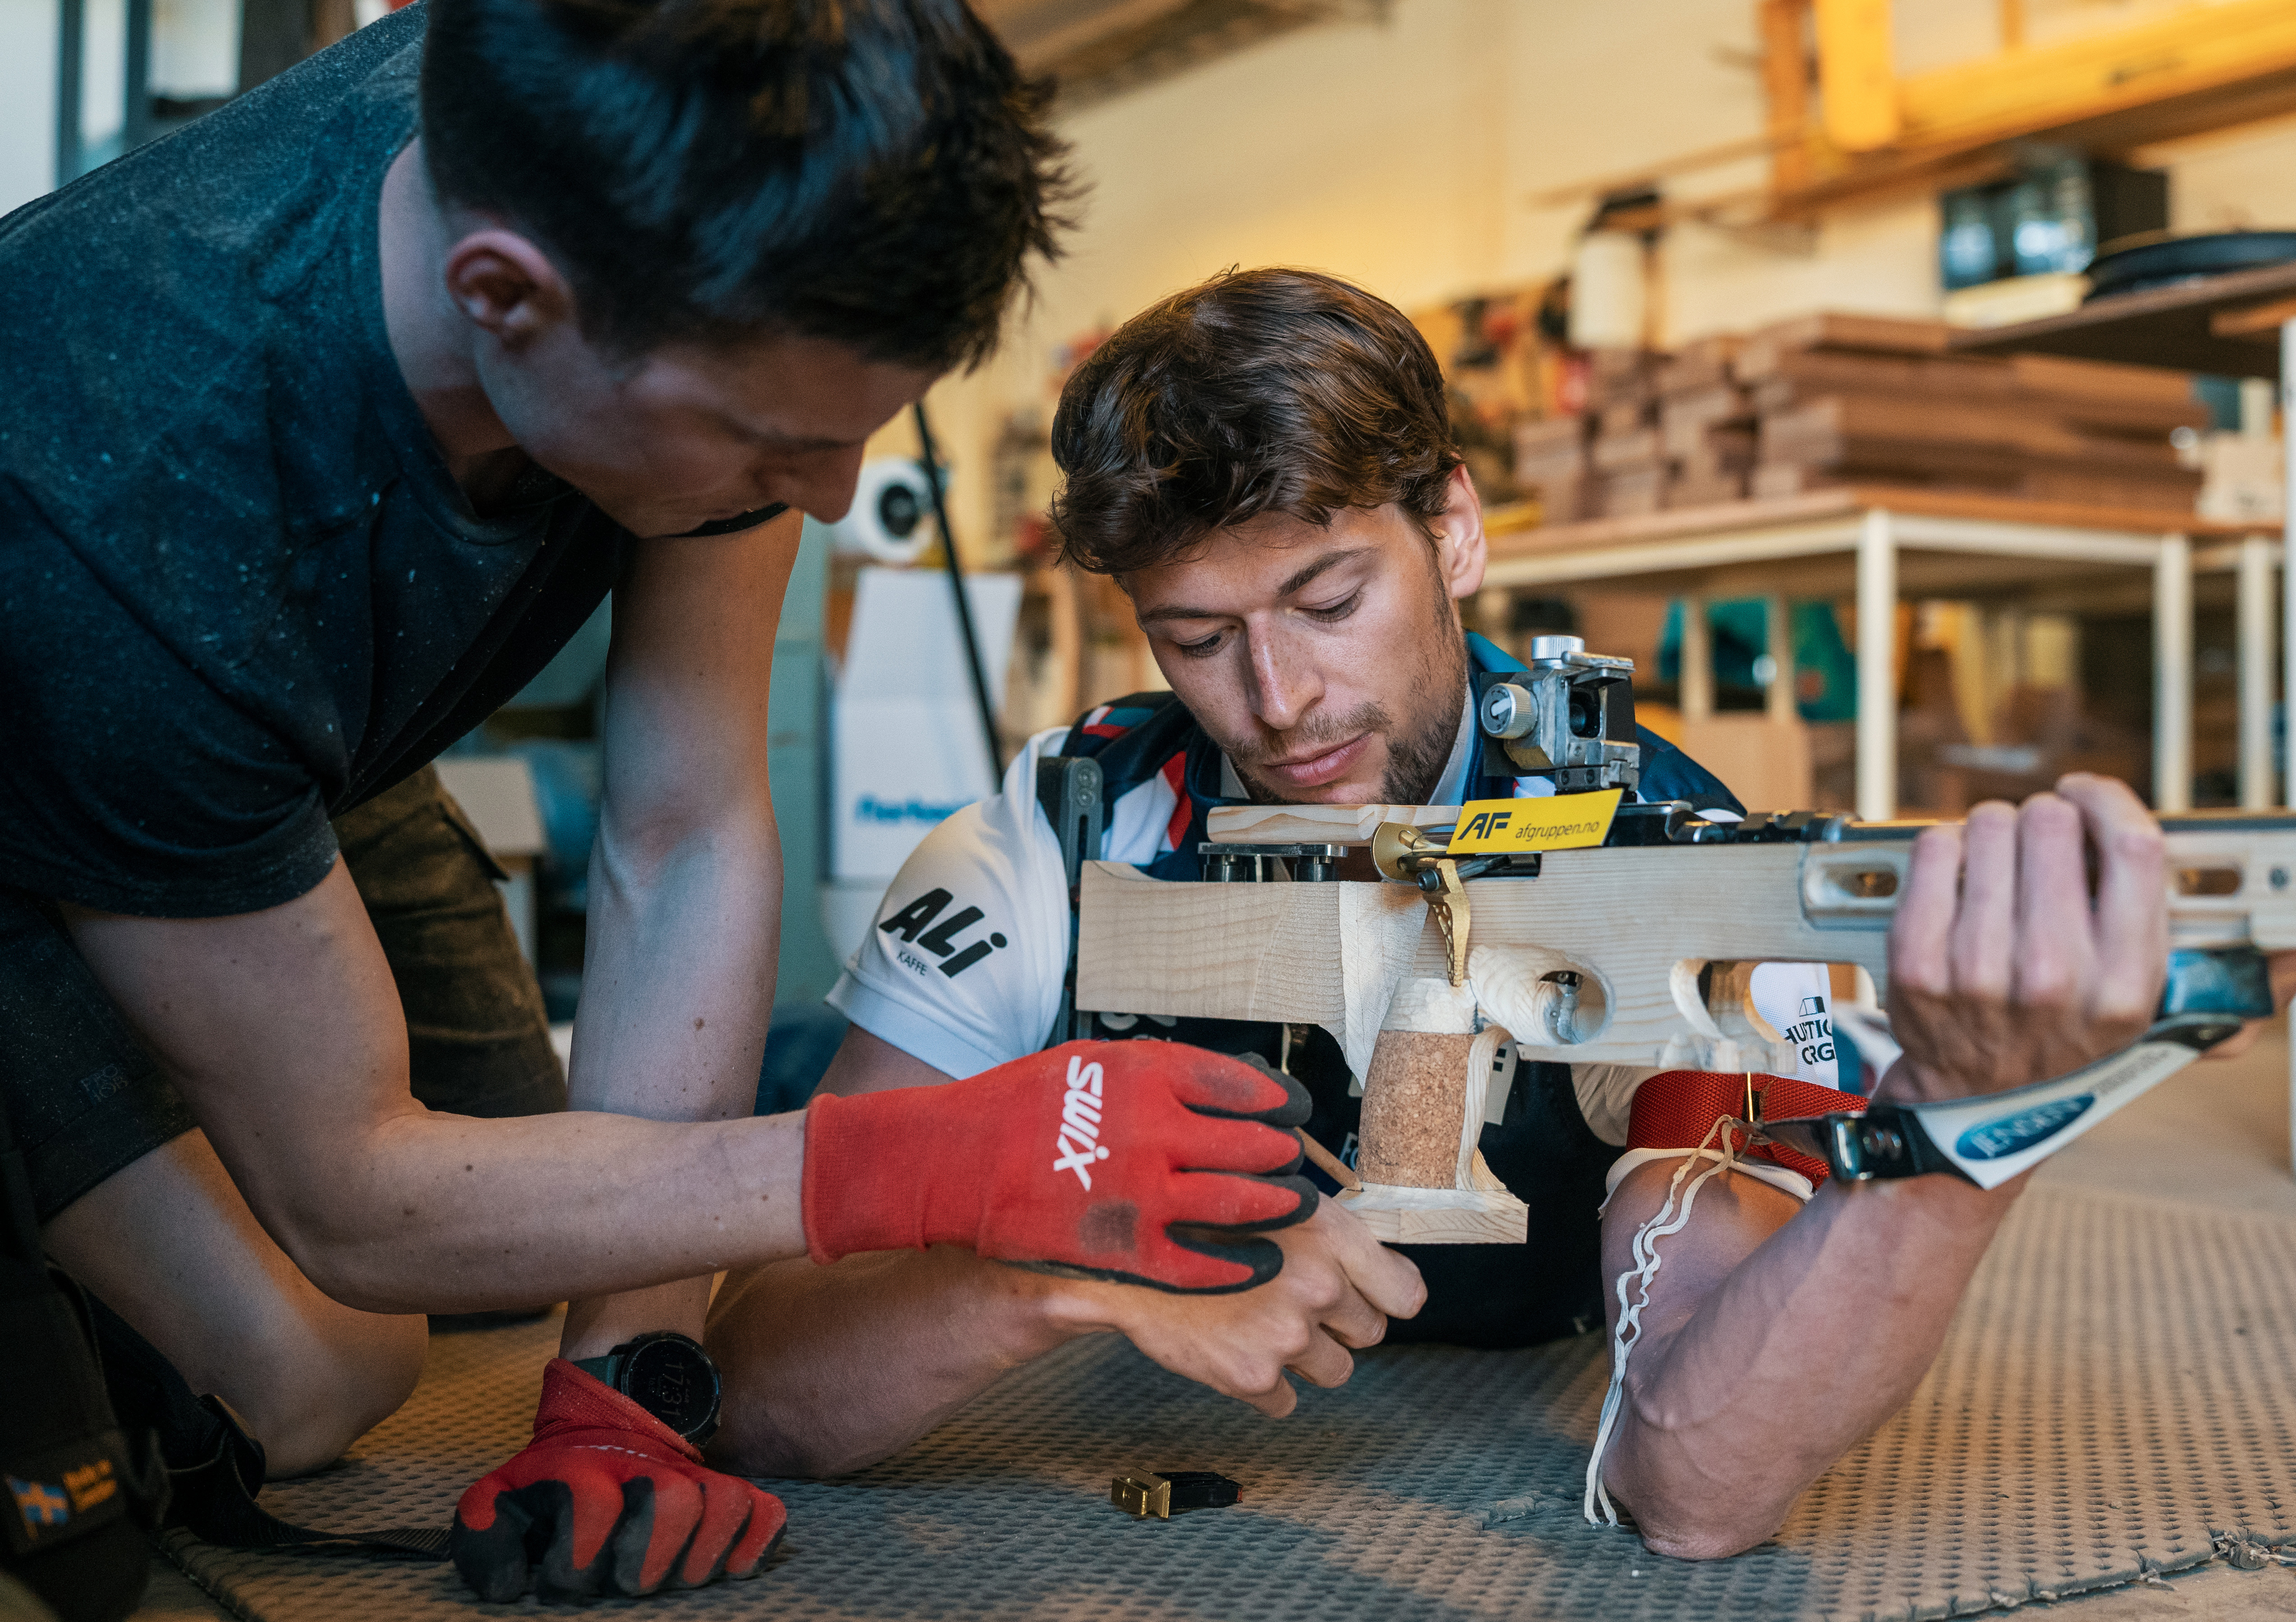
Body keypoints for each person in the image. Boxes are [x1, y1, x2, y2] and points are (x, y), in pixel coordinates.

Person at [1, 0, 1321, 1603]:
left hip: (312, 729)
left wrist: (623, 1395)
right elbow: (355, 1192)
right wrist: (911, 1162)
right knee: (320, 1364)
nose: (830, 497)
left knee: (529, 1234)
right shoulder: (122, 496)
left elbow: (682, 823)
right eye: (778, 442)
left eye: (855, 431)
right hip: (59, 729)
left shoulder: (667, 165)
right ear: (507, 300)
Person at [701, 267, 2296, 1560]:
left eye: (1331, 600)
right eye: (1198, 636)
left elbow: (1696, 1487)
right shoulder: (1060, 829)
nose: (1277, 701)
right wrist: (1063, 1272)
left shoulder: (1663, 855)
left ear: (1455, 531)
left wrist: (1965, 1127)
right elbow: (756, 1381)